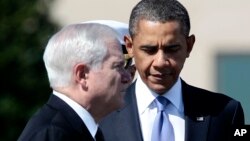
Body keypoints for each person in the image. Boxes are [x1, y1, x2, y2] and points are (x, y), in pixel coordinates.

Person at [99, 0, 245, 141]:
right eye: (149, 50)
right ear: (130, 46)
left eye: (172, 49)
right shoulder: (99, 113)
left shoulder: (226, 112)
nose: (160, 62)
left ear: (189, 46)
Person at [18, 23, 131, 141]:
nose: (127, 77)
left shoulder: (79, 129)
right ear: (82, 75)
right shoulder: (53, 134)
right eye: (118, 66)